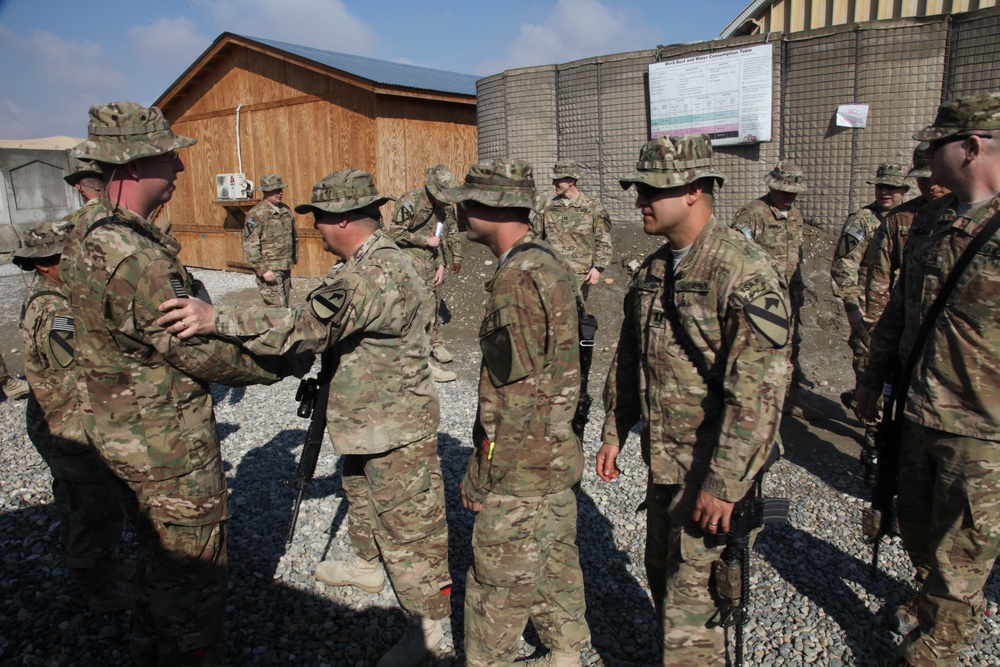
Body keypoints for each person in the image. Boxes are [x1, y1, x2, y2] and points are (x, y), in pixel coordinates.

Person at [157, 170, 452, 667]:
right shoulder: (361, 262)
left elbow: (306, 326)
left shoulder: (372, 273)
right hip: (368, 417)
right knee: (360, 491)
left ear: (340, 220)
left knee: (412, 530)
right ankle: (366, 564)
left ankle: (429, 629)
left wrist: (215, 319)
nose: (315, 229)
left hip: (394, 424)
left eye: (318, 219)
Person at [60, 101, 287, 666]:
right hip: (167, 449)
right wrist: (281, 364)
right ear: (135, 164)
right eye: (170, 158)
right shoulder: (137, 258)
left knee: (155, 562)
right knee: (193, 577)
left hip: (119, 437)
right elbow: (200, 354)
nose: (181, 170)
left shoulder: (88, 232)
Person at [597, 135, 789, 665]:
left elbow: (760, 393)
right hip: (664, 468)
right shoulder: (653, 271)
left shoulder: (742, 270)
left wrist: (725, 486)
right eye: (638, 189)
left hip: (708, 476)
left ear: (696, 191)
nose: (640, 202)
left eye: (652, 190)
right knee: (662, 579)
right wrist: (615, 427)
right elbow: (629, 357)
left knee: (694, 615)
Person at [858, 92, 1000, 667]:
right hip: (917, 411)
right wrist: (873, 375)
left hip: (984, 429)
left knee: (963, 549)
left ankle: (936, 649)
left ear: (969, 147)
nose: (925, 153)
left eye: (937, 143)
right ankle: (927, 600)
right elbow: (899, 307)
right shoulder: (932, 220)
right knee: (916, 527)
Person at [436, 158, 590, 667]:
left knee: (496, 586)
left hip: (521, 470)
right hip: (554, 456)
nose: (458, 210)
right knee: (555, 565)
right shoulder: (547, 261)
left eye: (468, 200)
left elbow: (514, 396)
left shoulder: (517, 278)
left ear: (495, 207)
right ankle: (566, 654)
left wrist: (483, 473)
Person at [14, 218, 133, 614]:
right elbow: (77, 373)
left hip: (70, 421)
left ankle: (93, 570)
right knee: (93, 509)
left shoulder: (61, 299)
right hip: (71, 426)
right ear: (44, 264)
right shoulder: (55, 311)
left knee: (81, 503)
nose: (73, 262)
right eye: (63, 257)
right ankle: (97, 586)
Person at [730, 161, 814, 418]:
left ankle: (787, 399)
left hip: (789, 295)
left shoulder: (796, 217)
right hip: (762, 297)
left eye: (794, 192)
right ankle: (755, 402)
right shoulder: (753, 214)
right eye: (785, 190)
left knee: (790, 346)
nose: (790, 196)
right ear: (772, 186)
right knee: (759, 347)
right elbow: (736, 255)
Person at [831, 160, 910, 411]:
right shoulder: (863, 221)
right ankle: (872, 426)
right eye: (881, 187)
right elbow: (844, 264)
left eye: (892, 187)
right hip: (869, 307)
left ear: (904, 190)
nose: (885, 192)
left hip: (902, 306)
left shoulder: (911, 219)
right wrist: (852, 305)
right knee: (869, 361)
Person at [387, 164, 460, 382]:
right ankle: (421, 363)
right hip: (410, 263)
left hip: (430, 263)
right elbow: (394, 233)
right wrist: (423, 240)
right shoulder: (411, 202)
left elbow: (438, 237)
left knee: (432, 307)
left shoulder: (441, 207)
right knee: (419, 311)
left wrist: (441, 264)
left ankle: (430, 348)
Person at [537, 160, 612, 301]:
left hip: (579, 275)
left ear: (571, 180)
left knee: (576, 316)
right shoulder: (548, 207)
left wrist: (598, 267)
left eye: (557, 180)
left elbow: (604, 240)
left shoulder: (592, 206)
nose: (553, 183)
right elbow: (534, 238)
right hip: (553, 273)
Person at [243, 173, 297, 307]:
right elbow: (250, 246)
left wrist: (293, 258)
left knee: (285, 308)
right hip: (270, 269)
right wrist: (263, 270)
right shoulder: (256, 214)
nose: (280, 192)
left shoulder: (285, 210)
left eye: (281, 189)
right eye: (276, 190)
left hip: (285, 266)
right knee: (277, 310)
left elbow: (293, 236)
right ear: (266, 191)